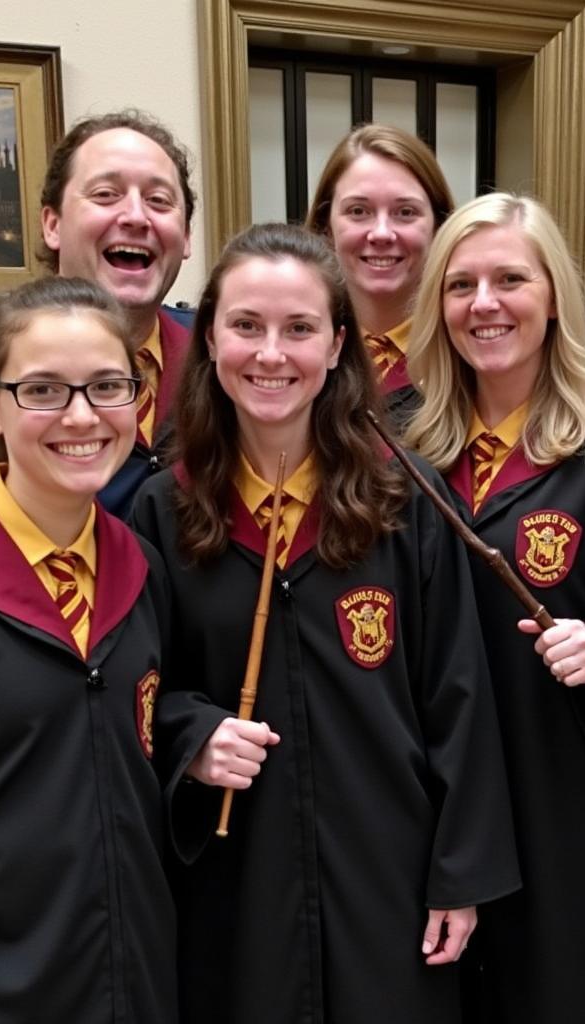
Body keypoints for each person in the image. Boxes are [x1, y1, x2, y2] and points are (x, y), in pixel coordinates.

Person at [130, 222, 520, 1024]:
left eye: (299, 329)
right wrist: (192, 735)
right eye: (246, 326)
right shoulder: (162, 511)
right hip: (235, 883)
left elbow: (460, 695)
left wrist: (460, 873)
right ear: (209, 341)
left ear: (339, 345)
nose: (271, 354)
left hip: (390, 876)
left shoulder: (402, 503)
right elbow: (136, 692)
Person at [404, 193, 585, 1024]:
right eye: (460, 284)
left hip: (569, 804)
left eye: (510, 279)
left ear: (553, 294)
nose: (484, 304)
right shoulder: (396, 445)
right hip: (433, 803)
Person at [0, 276, 177, 1022]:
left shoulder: (141, 570)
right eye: (44, 391)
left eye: (107, 386)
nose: (82, 416)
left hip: (132, 986)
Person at [0, 109, 195, 518]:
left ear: (186, 237)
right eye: (105, 194)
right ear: (52, 225)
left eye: (159, 200)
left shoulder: (221, 357)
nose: (135, 216)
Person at [306, 123, 454, 430]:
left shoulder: (467, 355)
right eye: (359, 211)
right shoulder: (295, 352)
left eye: (406, 212)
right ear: (326, 227)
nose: (382, 233)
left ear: (439, 226)